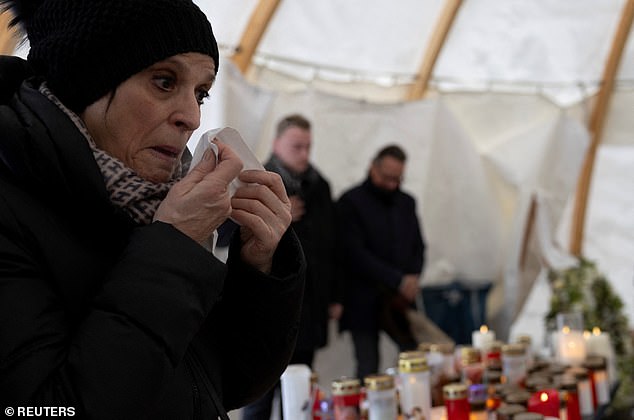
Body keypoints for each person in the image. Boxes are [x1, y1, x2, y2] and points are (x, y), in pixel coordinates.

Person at [0, 1, 306, 419]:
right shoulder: (12, 208)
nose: (192, 117)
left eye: (201, 93)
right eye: (164, 82)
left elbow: (222, 383)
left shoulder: (150, 200)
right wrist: (173, 247)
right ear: (83, 80)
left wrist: (259, 269)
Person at [240, 114, 342, 420]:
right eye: (297, 146)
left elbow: (331, 246)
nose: (304, 154)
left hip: (309, 307)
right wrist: (278, 217)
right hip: (269, 306)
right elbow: (232, 238)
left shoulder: (319, 186)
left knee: (299, 394)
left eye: (308, 147)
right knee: (259, 394)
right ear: (276, 144)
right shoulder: (257, 180)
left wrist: (334, 296)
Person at [336, 144, 426, 381]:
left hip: (399, 298)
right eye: (387, 178)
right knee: (368, 367)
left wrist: (414, 277)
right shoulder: (350, 202)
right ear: (372, 169)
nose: (392, 185)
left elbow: (418, 246)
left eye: (398, 179)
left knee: (413, 358)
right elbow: (355, 254)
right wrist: (398, 279)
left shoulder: (406, 202)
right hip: (363, 299)